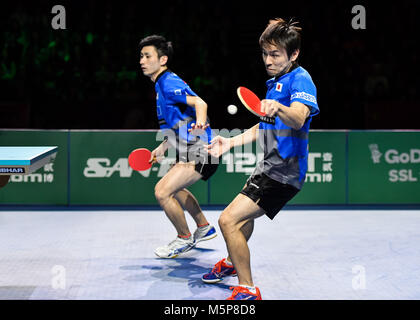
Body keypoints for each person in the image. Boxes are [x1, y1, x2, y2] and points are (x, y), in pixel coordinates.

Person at [203, 18, 320, 300]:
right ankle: (232, 262)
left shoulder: (300, 79)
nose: (268, 60)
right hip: (267, 168)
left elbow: (298, 117)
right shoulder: (274, 83)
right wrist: (230, 142)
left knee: (227, 221)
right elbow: (265, 125)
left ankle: (247, 289)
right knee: (242, 220)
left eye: (275, 54)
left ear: (293, 55)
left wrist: (280, 107)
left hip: (283, 174)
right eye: (265, 53)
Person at [138, 35, 219, 258]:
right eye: (141, 56)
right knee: (175, 189)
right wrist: (163, 147)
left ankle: (184, 238)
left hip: (200, 150)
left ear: (162, 59)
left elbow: (200, 103)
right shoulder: (160, 87)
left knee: (162, 192)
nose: (142, 60)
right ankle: (203, 227)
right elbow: (177, 124)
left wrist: (201, 122)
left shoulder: (168, 82)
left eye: (147, 56)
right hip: (188, 149)